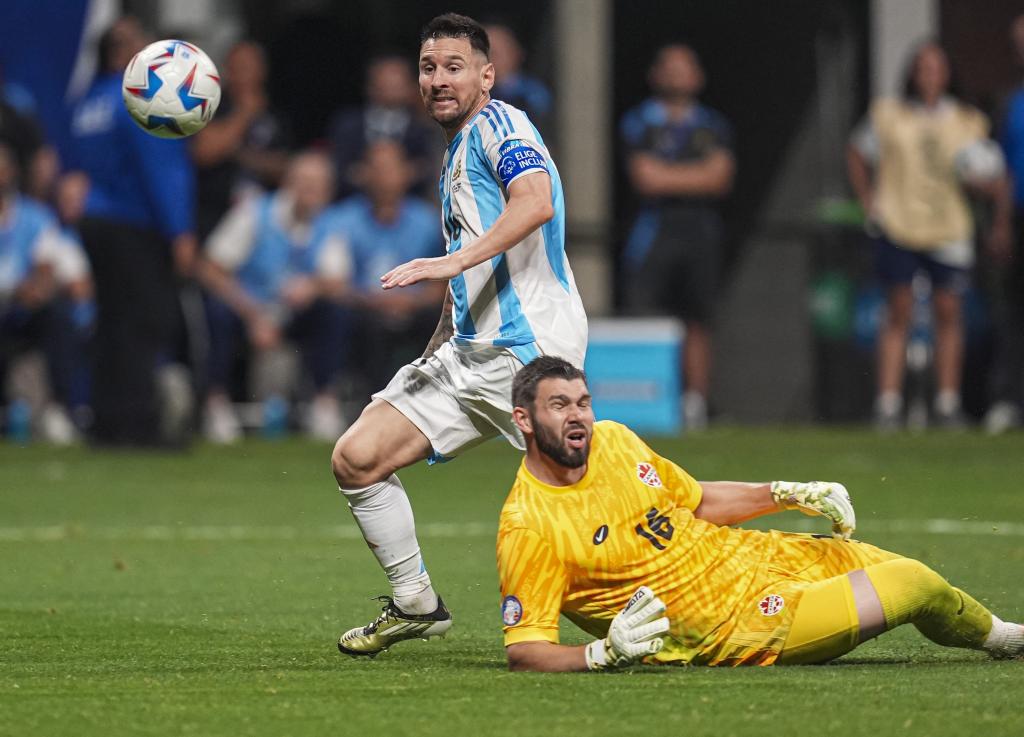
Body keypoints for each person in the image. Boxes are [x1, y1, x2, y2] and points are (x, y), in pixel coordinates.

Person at [496, 356, 1023, 671]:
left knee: (908, 574)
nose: (578, 416)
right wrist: (599, 655)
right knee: (911, 584)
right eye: (559, 405)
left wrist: (786, 492)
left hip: (763, 558)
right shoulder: (529, 525)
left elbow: (695, 501)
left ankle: (1004, 636)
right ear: (524, 419)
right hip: (743, 625)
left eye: (583, 402)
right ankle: (1007, 641)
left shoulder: (614, 439)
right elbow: (526, 649)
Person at [332, 13, 587, 657]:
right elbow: (472, 269)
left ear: (486, 75)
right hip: (470, 355)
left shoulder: (501, 124)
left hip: (529, 356)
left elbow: (535, 202)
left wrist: (450, 262)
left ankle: (717, 601)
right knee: (358, 459)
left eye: (454, 67)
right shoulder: (457, 147)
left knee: (599, 526)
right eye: (428, 68)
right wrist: (437, 342)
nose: (439, 80)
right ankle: (416, 603)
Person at [847, 41, 1013, 431]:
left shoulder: (967, 120)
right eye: (922, 67)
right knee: (898, 311)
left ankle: (947, 401)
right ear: (912, 73)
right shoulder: (889, 115)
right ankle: (888, 404)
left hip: (948, 226)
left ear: (948, 73)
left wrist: (984, 187)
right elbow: (856, 151)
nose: (929, 75)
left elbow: (991, 178)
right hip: (901, 223)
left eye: (937, 67)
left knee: (949, 312)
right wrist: (869, 198)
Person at [66, 16, 198, 447]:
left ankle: (106, 421)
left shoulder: (91, 101)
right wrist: (179, 230)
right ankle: (140, 424)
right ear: (125, 51)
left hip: (96, 220)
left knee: (112, 321)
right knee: (146, 321)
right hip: (134, 223)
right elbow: (160, 168)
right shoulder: (141, 97)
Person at [619, 44, 735, 431]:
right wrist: (694, 176)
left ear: (697, 76)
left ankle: (695, 403)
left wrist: (672, 176)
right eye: (669, 67)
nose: (677, 75)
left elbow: (720, 178)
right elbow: (646, 178)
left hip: (701, 230)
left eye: (685, 68)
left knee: (699, 317)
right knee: (646, 311)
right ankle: (650, 397)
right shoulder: (640, 122)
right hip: (655, 229)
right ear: (656, 74)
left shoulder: (713, 125)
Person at [198, 151, 350, 443]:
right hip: (248, 309)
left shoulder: (330, 223)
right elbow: (211, 268)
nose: (311, 192)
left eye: (319, 186)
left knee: (334, 311)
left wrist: (313, 286)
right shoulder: (254, 212)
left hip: (292, 313)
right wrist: (253, 315)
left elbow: (337, 281)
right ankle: (216, 403)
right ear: (288, 183)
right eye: (305, 183)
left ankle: (324, 402)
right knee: (216, 311)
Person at [326, 139, 445, 392]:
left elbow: (441, 283)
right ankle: (368, 401)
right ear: (364, 174)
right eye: (377, 169)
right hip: (364, 309)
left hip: (415, 308)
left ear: (406, 172)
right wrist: (374, 301)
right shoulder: (342, 220)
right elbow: (333, 284)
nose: (384, 177)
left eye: (391, 168)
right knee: (344, 320)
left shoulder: (426, 221)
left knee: (441, 318)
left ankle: (434, 396)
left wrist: (410, 302)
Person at [0, 142, 87, 443]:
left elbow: (48, 268)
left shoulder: (34, 217)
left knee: (56, 314)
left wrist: (34, 288)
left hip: (20, 311)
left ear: (11, 172)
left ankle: (56, 407)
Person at [190, 40, 291, 241]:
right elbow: (204, 152)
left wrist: (241, 155)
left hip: (263, 221)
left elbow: (287, 167)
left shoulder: (275, 115)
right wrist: (245, 113)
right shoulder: (211, 106)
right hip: (216, 216)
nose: (242, 74)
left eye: (248, 67)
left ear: (262, 71)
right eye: (236, 68)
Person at [984, 17, 1024, 435]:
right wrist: (1001, 223)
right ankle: (1011, 400)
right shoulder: (1011, 104)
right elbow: (1005, 173)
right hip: (1020, 217)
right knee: (1014, 313)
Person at [326, 54, 436, 200]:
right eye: (385, 83)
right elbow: (337, 167)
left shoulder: (424, 128)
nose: (391, 88)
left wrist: (401, 177)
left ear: (411, 87)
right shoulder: (348, 125)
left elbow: (431, 168)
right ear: (370, 86)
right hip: (354, 205)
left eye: (397, 84)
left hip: (410, 208)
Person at [483, 23, 552, 139]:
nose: (491, 58)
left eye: (497, 52)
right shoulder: (471, 94)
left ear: (516, 52)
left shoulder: (534, 94)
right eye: (486, 52)